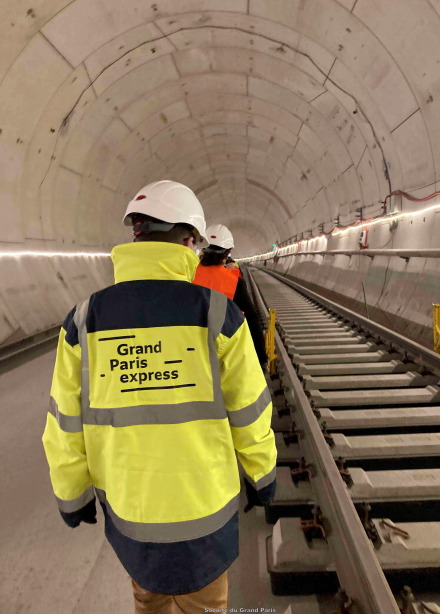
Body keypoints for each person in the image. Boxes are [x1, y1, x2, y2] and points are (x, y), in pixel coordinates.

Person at [42, 180, 277, 614]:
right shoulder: (218, 314)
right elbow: (249, 411)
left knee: (148, 602)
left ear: (136, 236)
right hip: (206, 518)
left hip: (133, 520)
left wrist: (72, 495)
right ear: (190, 241)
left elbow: (64, 423)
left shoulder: (82, 320)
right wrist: (262, 477)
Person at [193, 224, 268, 369]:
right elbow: (251, 319)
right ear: (228, 253)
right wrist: (261, 358)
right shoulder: (233, 281)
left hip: (190, 347)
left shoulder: (188, 273)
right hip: (223, 352)